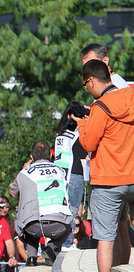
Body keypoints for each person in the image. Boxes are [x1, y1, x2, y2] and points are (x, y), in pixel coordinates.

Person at [71, 59, 134, 272]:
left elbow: (88, 144)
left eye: (86, 85)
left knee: (106, 238)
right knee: (126, 231)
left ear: (92, 81)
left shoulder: (100, 106)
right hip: (132, 177)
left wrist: (82, 122)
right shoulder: (130, 96)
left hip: (108, 181)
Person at [9, 141, 73, 267]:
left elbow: (12, 192)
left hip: (32, 226)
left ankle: (31, 258)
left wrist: (22, 171)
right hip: (58, 225)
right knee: (70, 220)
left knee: (29, 224)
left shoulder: (25, 173)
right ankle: (51, 248)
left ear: (31, 157)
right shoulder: (60, 171)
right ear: (50, 155)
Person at [54, 101, 89, 248]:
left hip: (63, 175)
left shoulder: (61, 133)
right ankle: (68, 243)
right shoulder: (78, 133)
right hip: (75, 174)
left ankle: (62, 242)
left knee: (64, 209)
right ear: (71, 116)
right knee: (73, 209)